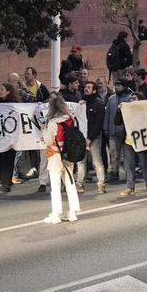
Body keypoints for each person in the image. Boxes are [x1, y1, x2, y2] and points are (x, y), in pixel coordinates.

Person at [41, 92, 82, 224]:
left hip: (55, 155)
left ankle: (56, 213)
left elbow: (48, 141)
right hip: (69, 154)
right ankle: (73, 212)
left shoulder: (53, 122)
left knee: (55, 185)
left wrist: (43, 129)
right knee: (70, 183)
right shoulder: (70, 119)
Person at [0, 82, 21, 192]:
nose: (0, 91)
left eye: (2, 89)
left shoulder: (13, 104)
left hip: (10, 138)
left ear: (8, 92)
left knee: (7, 161)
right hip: (0, 137)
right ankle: (6, 181)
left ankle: (6, 185)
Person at [83, 80, 108, 194]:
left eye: (88, 87)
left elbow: (99, 124)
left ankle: (101, 184)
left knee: (97, 162)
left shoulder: (98, 104)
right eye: (85, 87)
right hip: (82, 137)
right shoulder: (83, 104)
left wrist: (90, 138)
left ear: (94, 90)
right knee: (80, 162)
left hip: (94, 137)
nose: (85, 89)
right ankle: (79, 184)